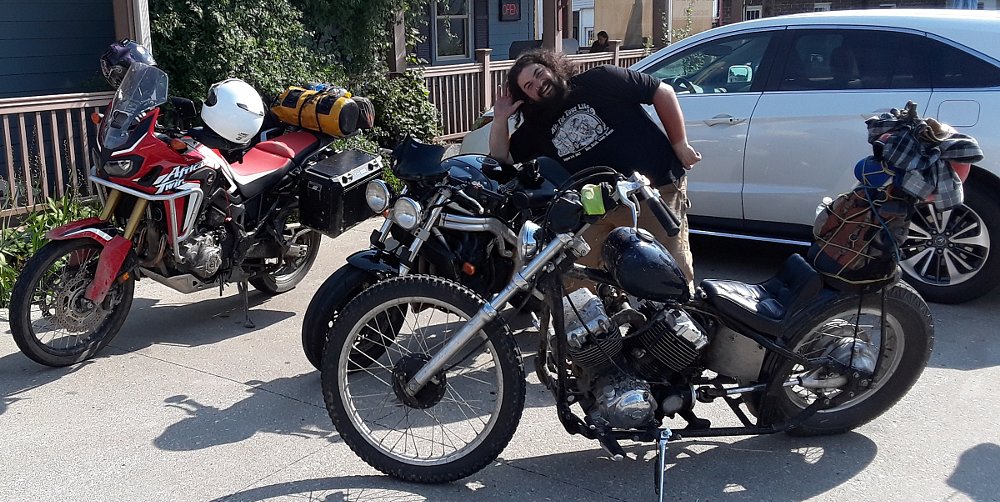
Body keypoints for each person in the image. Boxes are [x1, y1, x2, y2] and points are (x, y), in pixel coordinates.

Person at [489, 49, 702, 293]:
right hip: (598, 208)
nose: (539, 84)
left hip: (653, 194)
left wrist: (680, 144)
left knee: (668, 277)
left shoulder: (600, 80)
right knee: (577, 280)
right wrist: (500, 118)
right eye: (529, 86)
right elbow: (501, 157)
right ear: (527, 97)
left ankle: (683, 327)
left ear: (551, 67)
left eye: (539, 74)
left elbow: (661, 91)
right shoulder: (537, 125)